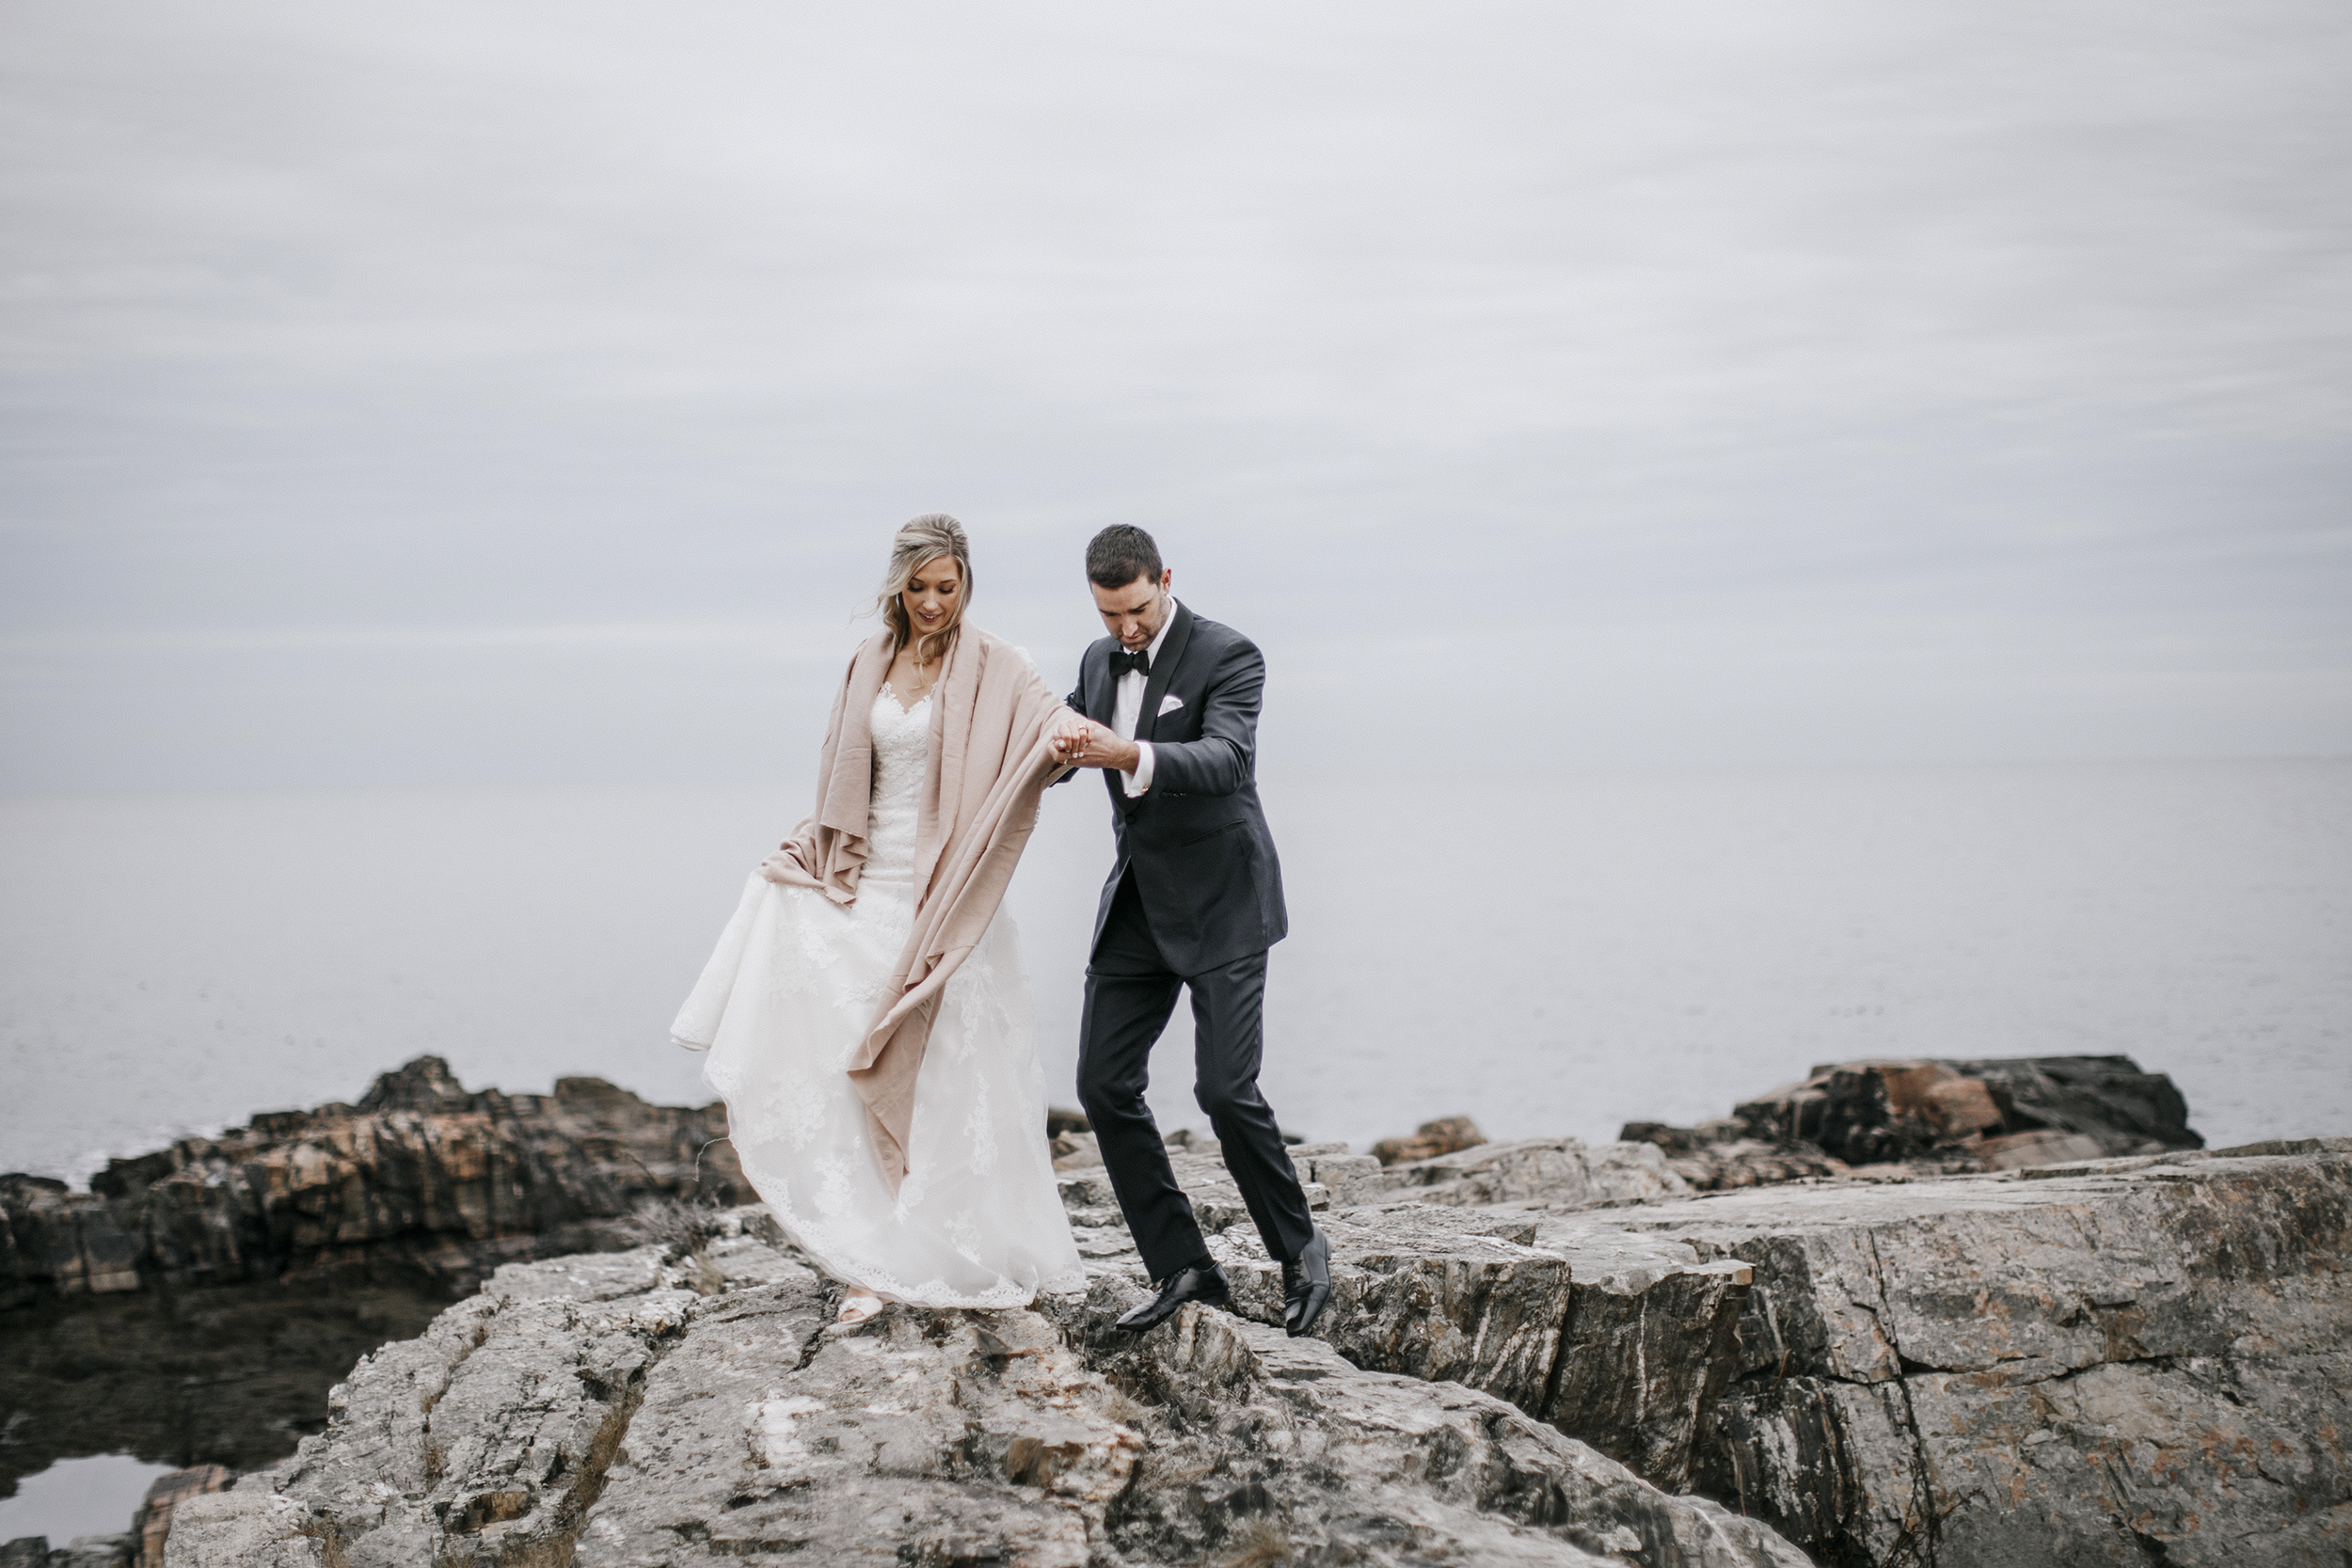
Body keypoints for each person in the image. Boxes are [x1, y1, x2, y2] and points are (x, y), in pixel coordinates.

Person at [671, 515, 1086, 1324]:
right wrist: (821, 851)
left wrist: (1069, 734)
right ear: (898, 583)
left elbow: (1046, 725)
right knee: (844, 1056)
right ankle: (875, 1252)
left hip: (941, 892)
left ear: (966, 582)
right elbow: (842, 770)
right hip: (869, 879)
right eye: (920, 587)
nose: (934, 604)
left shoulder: (1000, 663)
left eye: (949, 586)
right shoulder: (869, 658)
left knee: (947, 1072)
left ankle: (953, 1241)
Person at [1048, 525, 1332, 1337]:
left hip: (1224, 899)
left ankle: (1301, 1248)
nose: (1126, 630)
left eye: (1137, 609)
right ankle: (1184, 1267)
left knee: (1224, 1091)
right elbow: (1066, 739)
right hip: (1139, 900)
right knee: (1102, 1084)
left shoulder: (1230, 654)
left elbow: (1228, 758)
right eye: (1110, 616)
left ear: (1164, 579)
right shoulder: (1098, 662)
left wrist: (1126, 750)